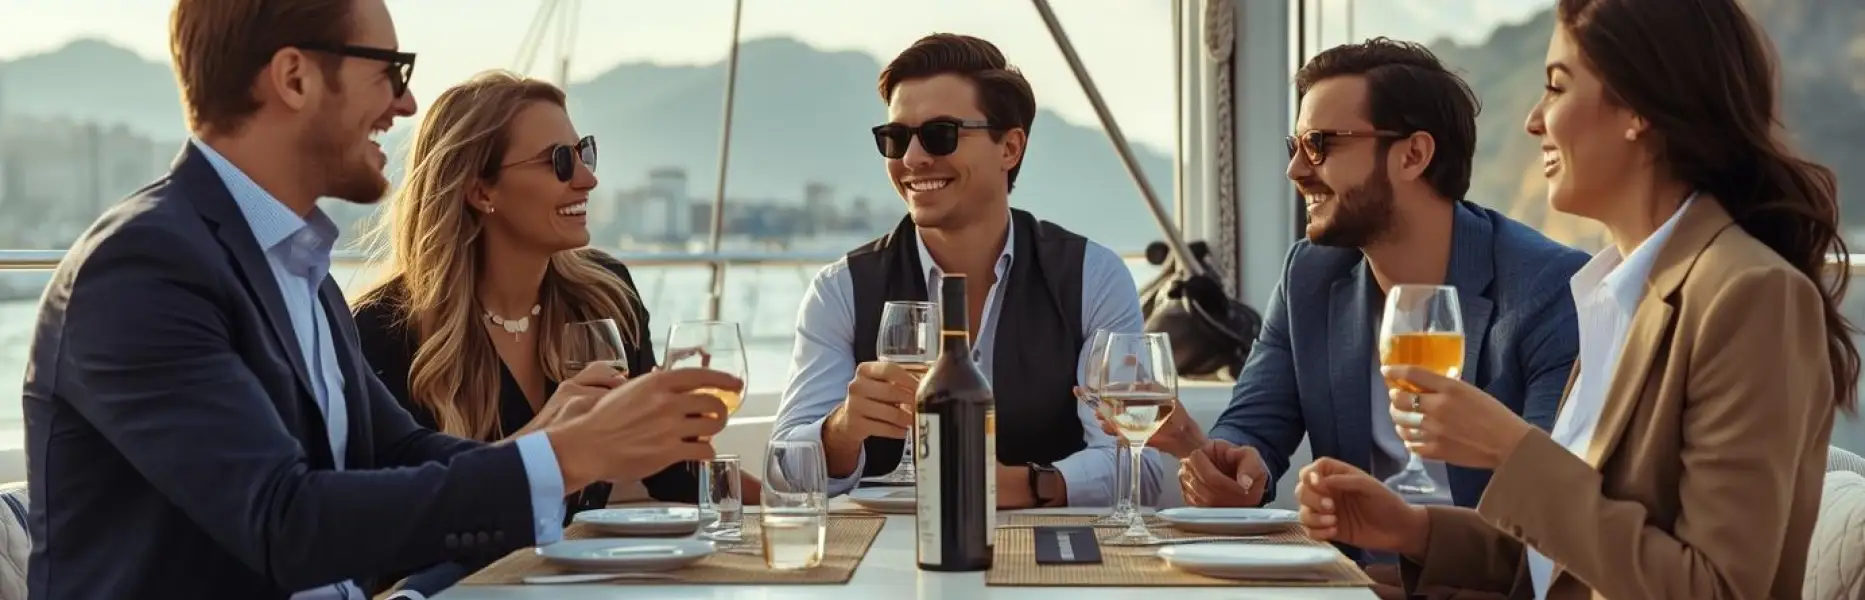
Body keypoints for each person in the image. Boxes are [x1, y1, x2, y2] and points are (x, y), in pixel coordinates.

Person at [18, 1, 736, 598]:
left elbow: (399, 452)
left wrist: (568, 450)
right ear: (294, 78)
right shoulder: (142, 268)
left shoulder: (298, 272)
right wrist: (568, 456)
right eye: (390, 72)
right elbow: (283, 521)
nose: (406, 102)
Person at [1296, 0, 1856, 598]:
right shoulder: (1614, 292)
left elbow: (1711, 587)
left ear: (1637, 108)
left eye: (1556, 88)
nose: (1534, 120)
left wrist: (1512, 450)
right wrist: (1416, 531)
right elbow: (1565, 562)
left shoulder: (1748, 295)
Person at [350, 71, 759, 598]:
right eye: (559, 162)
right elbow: (393, 538)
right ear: (480, 188)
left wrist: (795, 497)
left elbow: (672, 476)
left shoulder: (606, 295)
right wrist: (553, 439)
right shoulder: (382, 330)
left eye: (584, 152)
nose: (587, 179)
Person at [1158, 38, 1586, 525]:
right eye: (1295, 146)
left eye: (1320, 144)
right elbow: (1254, 425)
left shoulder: (1549, 288)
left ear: (1413, 155)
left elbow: (1553, 502)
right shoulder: (1310, 274)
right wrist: (1232, 466)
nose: (1295, 170)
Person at [768, 33, 1164, 507]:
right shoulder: (841, 290)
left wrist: (1017, 486)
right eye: (895, 139)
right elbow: (782, 472)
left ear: (1010, 148)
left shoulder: (1091, 279)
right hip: (892, 562)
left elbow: (1141, 463)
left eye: (941, 134)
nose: (913, 158)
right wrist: (841, 431)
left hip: (1053, 555)